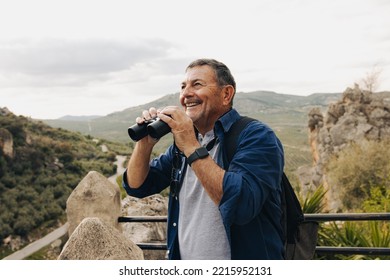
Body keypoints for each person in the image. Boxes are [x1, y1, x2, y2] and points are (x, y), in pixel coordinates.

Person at [122, 58, 285, 260]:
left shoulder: (256, 136)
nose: (186, 94)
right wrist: (144, 144)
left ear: (226, 94)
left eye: (197, 85)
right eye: (183, 87)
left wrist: (190, 144)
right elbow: (137, 185)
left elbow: (242, 204)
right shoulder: (183, 146)